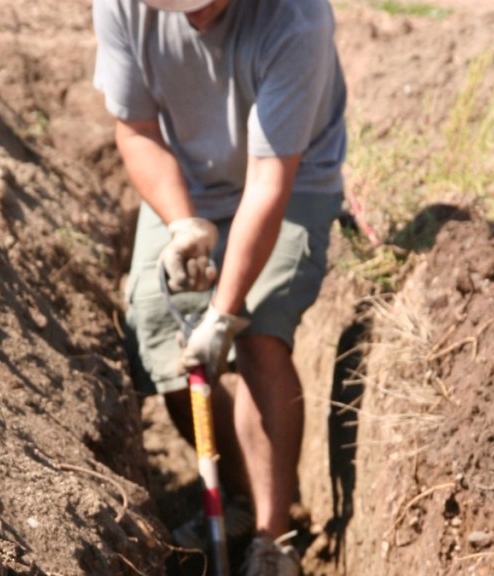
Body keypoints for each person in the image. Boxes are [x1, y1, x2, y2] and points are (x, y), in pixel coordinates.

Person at [92, 0, 346, 572]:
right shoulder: (121, 7)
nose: (195, 16)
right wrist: (182, 224)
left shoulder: (295, 18)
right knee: (161, 336)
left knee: (259, 332)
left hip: (292, 182)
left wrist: (224, 314)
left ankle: (272, 539)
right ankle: (239, 494)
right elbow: (135, 130)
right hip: (185, 182)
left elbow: (270, 179)